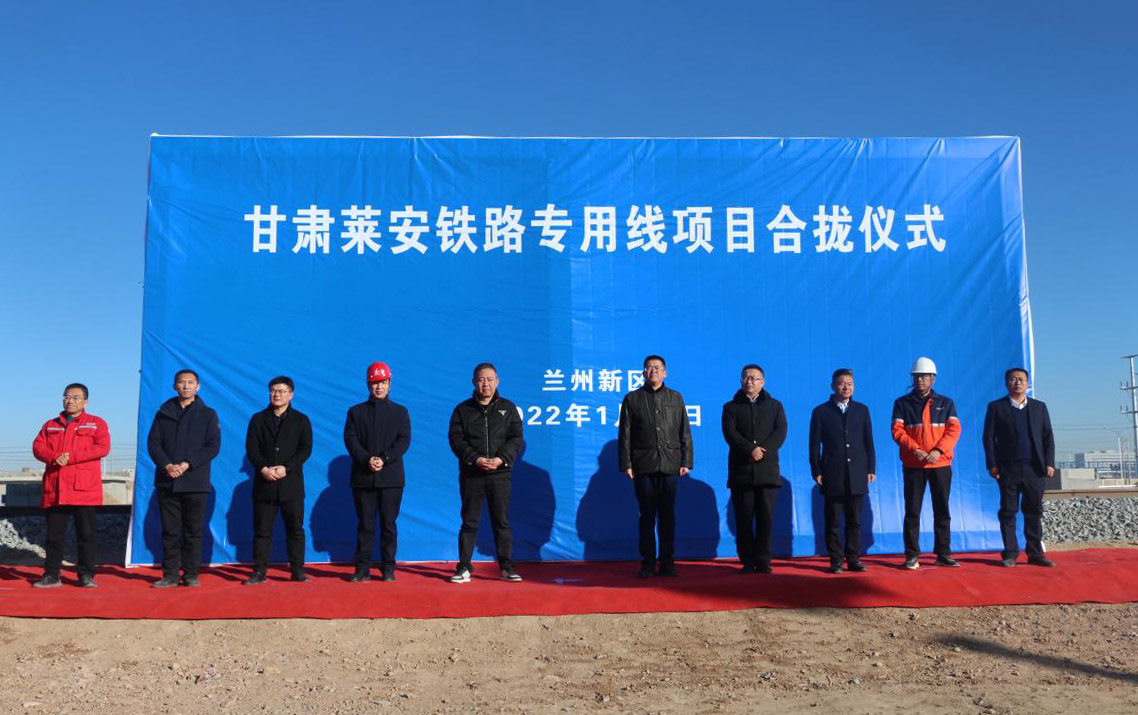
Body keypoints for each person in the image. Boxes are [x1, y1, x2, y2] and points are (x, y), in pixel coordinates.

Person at [447, 362, 525, 583]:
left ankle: (507, 567)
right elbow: (456, 440)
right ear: (474, 382)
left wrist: (501, 459)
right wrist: (475, 459)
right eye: (481, 380)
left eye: (490, 379)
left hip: (500, 474)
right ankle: (464, 567)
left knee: (501, 522)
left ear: (497, 381)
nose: (486, 384)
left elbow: (516, 438)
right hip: (472, 474)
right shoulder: (462, 410)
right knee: (469, 522)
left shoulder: (508, 408)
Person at [30, 383, 111, 588]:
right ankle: (51, 575)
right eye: (66, 397)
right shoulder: (50, 425)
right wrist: (54, 456)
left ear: (85, 401)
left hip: (84, 489)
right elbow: (38, 447)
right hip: (56, 489)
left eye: (75, 397)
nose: (70, 401)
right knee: (54, 536)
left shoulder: (96, 423)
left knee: (86, 535)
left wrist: (70, 457)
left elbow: (102, 447)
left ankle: (86, 575)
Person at [619, 355, 693, 578]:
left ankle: (668, 561)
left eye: (658, 367)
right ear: (644, 373)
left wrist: (686, 461)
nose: (653, 370)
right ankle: (648, 562)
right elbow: (625, 434)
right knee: (647, 516)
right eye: (649, 367)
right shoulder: (632, 399)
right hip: (643, 464)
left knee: (667, 517)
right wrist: (626, 463)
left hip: (670, 464)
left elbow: (685, 431)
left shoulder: (675, 397)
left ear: (665, 373)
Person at [146, 369, 221, 588]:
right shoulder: (163, 413)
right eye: (181, 382)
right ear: (174, 386)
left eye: (190, 382)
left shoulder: (208, 414)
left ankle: (191, 574)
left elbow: (213, 446)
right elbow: (153, 444)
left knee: (193, 532)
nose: (186, 386)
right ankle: (170, 575)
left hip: (195, 482)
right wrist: (167, 465)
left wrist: (188, 463)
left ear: (198, 386)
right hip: (167, 481)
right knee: (170, 532)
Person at [343, 361, 411, 582]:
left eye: (382, 382)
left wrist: (384, 459)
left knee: (389, 525)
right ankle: (362, 568)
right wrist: (366, 459)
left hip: (391, 479)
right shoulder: (356, 412)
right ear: (368, 385)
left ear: (390, 383)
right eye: (374, 383)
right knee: (365, 525)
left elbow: (403, 441)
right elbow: (350, 440)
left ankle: (388, 567)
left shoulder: (400, 412)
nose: (379, 387)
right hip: (364, 478)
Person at [891, 357, 961, 570]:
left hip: (941, 465)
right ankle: (912, 556)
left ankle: (943, 554)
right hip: (914, 465)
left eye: (924, 376)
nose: (920, 380)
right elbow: (897, 431)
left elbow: (954, 431)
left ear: (933, 378)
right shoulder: (902, 403)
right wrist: (916, 450)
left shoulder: (946, 403)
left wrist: (938, 450)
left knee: (942, 511)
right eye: (917, 376)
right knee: (912, 511)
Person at [982, 368, 1056, 568]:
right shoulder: (996, 407)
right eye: (1013, 379)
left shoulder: (1039, 407)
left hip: (1035, 470)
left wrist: (1049, 463)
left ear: (1028, 383)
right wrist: (992, 464)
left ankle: (1035, 554)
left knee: (1033, 512)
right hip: (1008, 469)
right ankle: (1010, 554)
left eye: (1021, 379)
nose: (1018, 382)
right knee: (1008, 512)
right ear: (1006, 383)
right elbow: (988, 438)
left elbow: (1048, 437)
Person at [243, 376, 313, 585]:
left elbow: (305, 449)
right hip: (264, 484)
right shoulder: (257, 419)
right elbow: (252, 448)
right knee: (262, 531)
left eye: (282, 391)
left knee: (295, 530)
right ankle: (259, 571)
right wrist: (263, 468)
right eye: (273, 390)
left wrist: (287, 468)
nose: (277, 395)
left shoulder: (301, 420)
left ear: (291, 394)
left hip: (291, 484)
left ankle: (297, 570)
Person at [808, 369, 875, 573]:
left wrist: (870, 468)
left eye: (850, 383)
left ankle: (853, 559)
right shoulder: (821, 412)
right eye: (842, 383)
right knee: (833, 521)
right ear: (833, 386)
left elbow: (868, 442)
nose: (846, 387)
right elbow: (814, 445)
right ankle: (836, 560)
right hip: (832, 473)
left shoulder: (862, 410)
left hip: (857, 473)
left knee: (855, 521)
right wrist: (817, 470)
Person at [722, 364, 786, 574]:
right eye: (746, 377)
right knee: (744, 520)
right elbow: (730, 433)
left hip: (767, 471)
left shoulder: (775, 406)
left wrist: (762, 451)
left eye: (754, 378)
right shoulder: (730, 407)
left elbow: (780, 432)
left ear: (762, 382)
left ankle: (764, 559)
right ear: (741, 380)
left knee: (766, 520)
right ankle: (747, 560)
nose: (750, 381)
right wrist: (750, 449)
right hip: (742, 471)